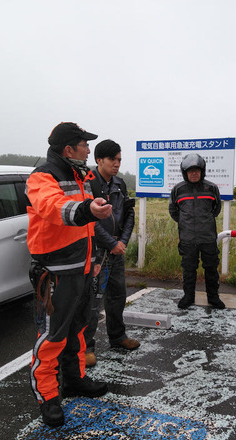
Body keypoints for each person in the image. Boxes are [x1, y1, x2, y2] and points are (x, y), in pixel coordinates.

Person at [26, 122, 113, 427]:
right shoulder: (42, 177)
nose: (89, 149)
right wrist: (89, 209)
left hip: (83, 267)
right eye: (84, 144)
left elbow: (88, 219)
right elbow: (54, 207)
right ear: (68, 149)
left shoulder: (80, 176)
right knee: (53, 335)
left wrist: (96, 259)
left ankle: (75, 380)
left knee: (78, 327)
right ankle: (48, 397)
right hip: (57, 271)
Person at [84, 139, 140, 367]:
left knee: (118, 296)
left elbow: (128, 215)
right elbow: (88, 220)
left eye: (119, 160)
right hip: (97, 251)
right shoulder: (88, 184)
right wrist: (110, 243)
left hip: (117, 250)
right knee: (92, 301)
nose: (117, 164)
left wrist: (123, 241)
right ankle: (87, 346)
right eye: (112, 160)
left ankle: (118, 337)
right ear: (99, 160)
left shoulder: (120, 184)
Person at [169, 153, 225, 310]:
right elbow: (174, 211)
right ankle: (188, 297)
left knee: (211, 269)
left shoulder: (212, 188)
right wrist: (185, 224)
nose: (194, 173)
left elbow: (216, 209)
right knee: (188, 270)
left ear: (202, 171)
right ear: (184, 172)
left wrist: (204, 223)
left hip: (208, 237)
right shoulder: (178, 189)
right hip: (187, 239)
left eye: (197, 170)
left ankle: (213, 298)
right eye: (190, 170)